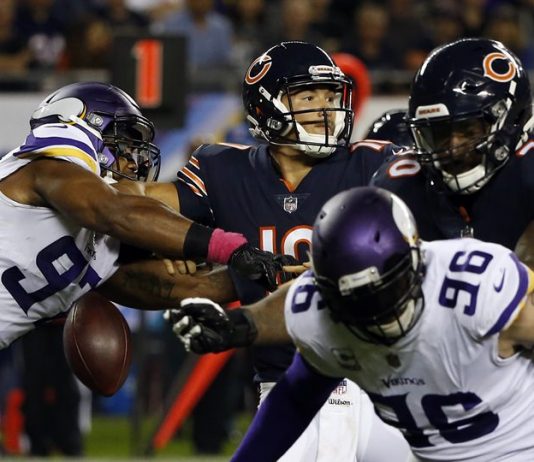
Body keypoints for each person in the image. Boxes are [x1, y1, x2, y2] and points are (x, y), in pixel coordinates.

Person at [155, 41, 411, 460]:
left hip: (378, 377)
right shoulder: (224, 169)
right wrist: (173, 239)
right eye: (308, 97)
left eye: (330, 96)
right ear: (265, 106)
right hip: (287, 382)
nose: (325, 108)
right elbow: (140, 209)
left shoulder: (374, 163)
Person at [171, 186, 534, 461]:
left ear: (416, 258)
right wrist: (241, 323)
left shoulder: (475, 288)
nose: (377, 311)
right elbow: (296, 397)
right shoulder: (322, 311)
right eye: (359, 299)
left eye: (386, 290)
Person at [0, 80, 287, 349]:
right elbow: (115, 211)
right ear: (85, 125)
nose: (133, 163)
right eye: (124, 144)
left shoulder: (96, 240)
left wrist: (271, 272)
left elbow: (182, 287)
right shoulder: (46, 167)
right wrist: (231, 249)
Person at [370, 38, 533, 268]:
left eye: (468, 130)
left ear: (512, 120)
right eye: (439, 133)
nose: (453, 148)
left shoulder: (527, 173)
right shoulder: (401, 187)